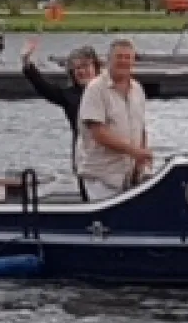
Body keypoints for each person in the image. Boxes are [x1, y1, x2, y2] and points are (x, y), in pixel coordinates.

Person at [76, 38, 151, 202]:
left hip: (129, 177)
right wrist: (133, 151)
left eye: (127, 57)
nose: (124, 61)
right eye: (119, 57)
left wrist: (142, 159)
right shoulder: (95, 89)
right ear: (108, 60)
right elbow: (99, 133)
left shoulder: (138, 89)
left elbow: (141, 127)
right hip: (102, 177)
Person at [20, 38, 100, 173]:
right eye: (77, 68)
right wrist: (26, 61)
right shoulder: (68, 95)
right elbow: (42, 86)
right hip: (84, 158)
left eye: (86, 66)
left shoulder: (109, 91)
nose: (82, 71)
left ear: (95, 68)